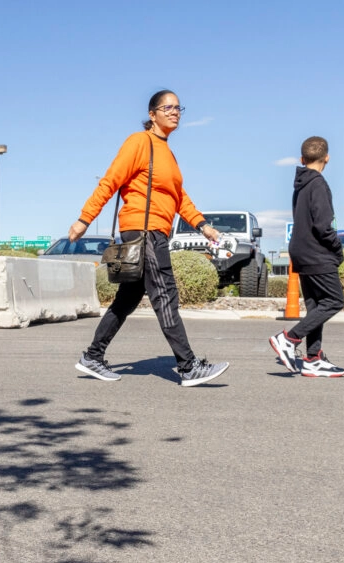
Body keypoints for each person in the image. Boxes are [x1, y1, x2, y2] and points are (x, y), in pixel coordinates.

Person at [69, 90, 229, 387]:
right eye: (167, 107)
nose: (174, 111)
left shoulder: (167, 152)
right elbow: (110, 180)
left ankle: (92, 356)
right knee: (165, 296)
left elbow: (179, 198)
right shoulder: (139, 142)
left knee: (127, 299)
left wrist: (203, 226)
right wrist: (84, 219)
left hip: (155, 232)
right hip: (144, 232)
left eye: (178, 107)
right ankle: (188, 366)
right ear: (152, 114)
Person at [269, 136, 344, 378]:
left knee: (315, 305)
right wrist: (337, 249)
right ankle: (289, 339)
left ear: (302, 159)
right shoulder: (318, 185)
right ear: (327, 158)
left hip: (300, 252)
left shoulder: (301, 185)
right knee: (334, 301)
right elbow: (324, 226)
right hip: (317, 253)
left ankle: (313, 359)